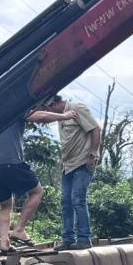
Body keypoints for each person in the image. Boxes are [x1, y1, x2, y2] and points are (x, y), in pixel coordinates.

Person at [0, 110, 78, 252]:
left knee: (5, 205)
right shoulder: (14, 109)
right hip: (10, 163)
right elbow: (40, 116)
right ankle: (19, 230)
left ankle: (4, 242)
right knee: (37, 192)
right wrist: (64, 116)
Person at [44, 93, 101, 250]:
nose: (49, 113)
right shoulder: (61, 117)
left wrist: (93, 154)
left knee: (78, 199)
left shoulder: (77, 108)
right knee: (65, 202)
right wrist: (62, 161)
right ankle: (68, 239)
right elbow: (69, 141)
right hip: (68, 165)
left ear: (53, 104)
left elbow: (95, 129)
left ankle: (84, 239)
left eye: (48, 109)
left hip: (83, 162)